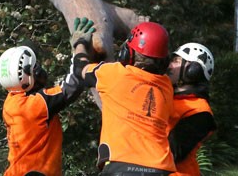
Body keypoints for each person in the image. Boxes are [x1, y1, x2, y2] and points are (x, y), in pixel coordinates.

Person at [0, 17, 96, 176]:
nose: (40, 69)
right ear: (28, 76)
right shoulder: (34, 106)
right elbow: (71, 86)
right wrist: (79, 47)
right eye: (36, 67)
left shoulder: (12, 101)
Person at [76, 21, 177, 175]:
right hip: (160, 169)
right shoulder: (167, 87)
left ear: (127, 53)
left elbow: (80, 70)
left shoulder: (114, 73)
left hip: (121, 166)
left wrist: (80, 43)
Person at [166, 43, 217, 176]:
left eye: (176, 61)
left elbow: (174, 151)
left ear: (193, 70)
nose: (170, 65)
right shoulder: (166, 96)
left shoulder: (201, 112)